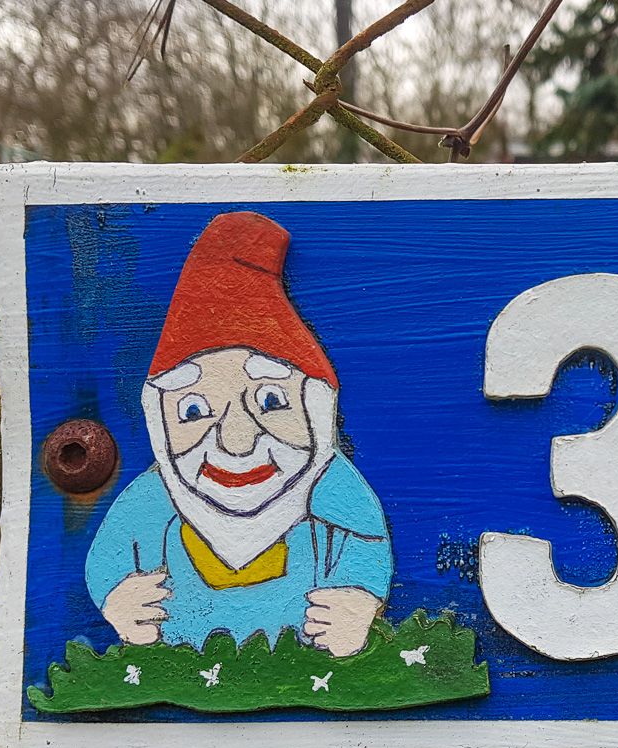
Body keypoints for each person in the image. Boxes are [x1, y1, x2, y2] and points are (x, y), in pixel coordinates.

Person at [85, 211, 392, 657]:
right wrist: (118, 600)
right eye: (193, 410)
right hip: (182, 667)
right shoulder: (155, 497)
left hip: (305, 665)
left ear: (313, 407)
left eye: (270, 401)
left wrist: (356, 601)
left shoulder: (331, 488)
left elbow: (365, 545)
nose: (236, 442)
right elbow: (112, 554)